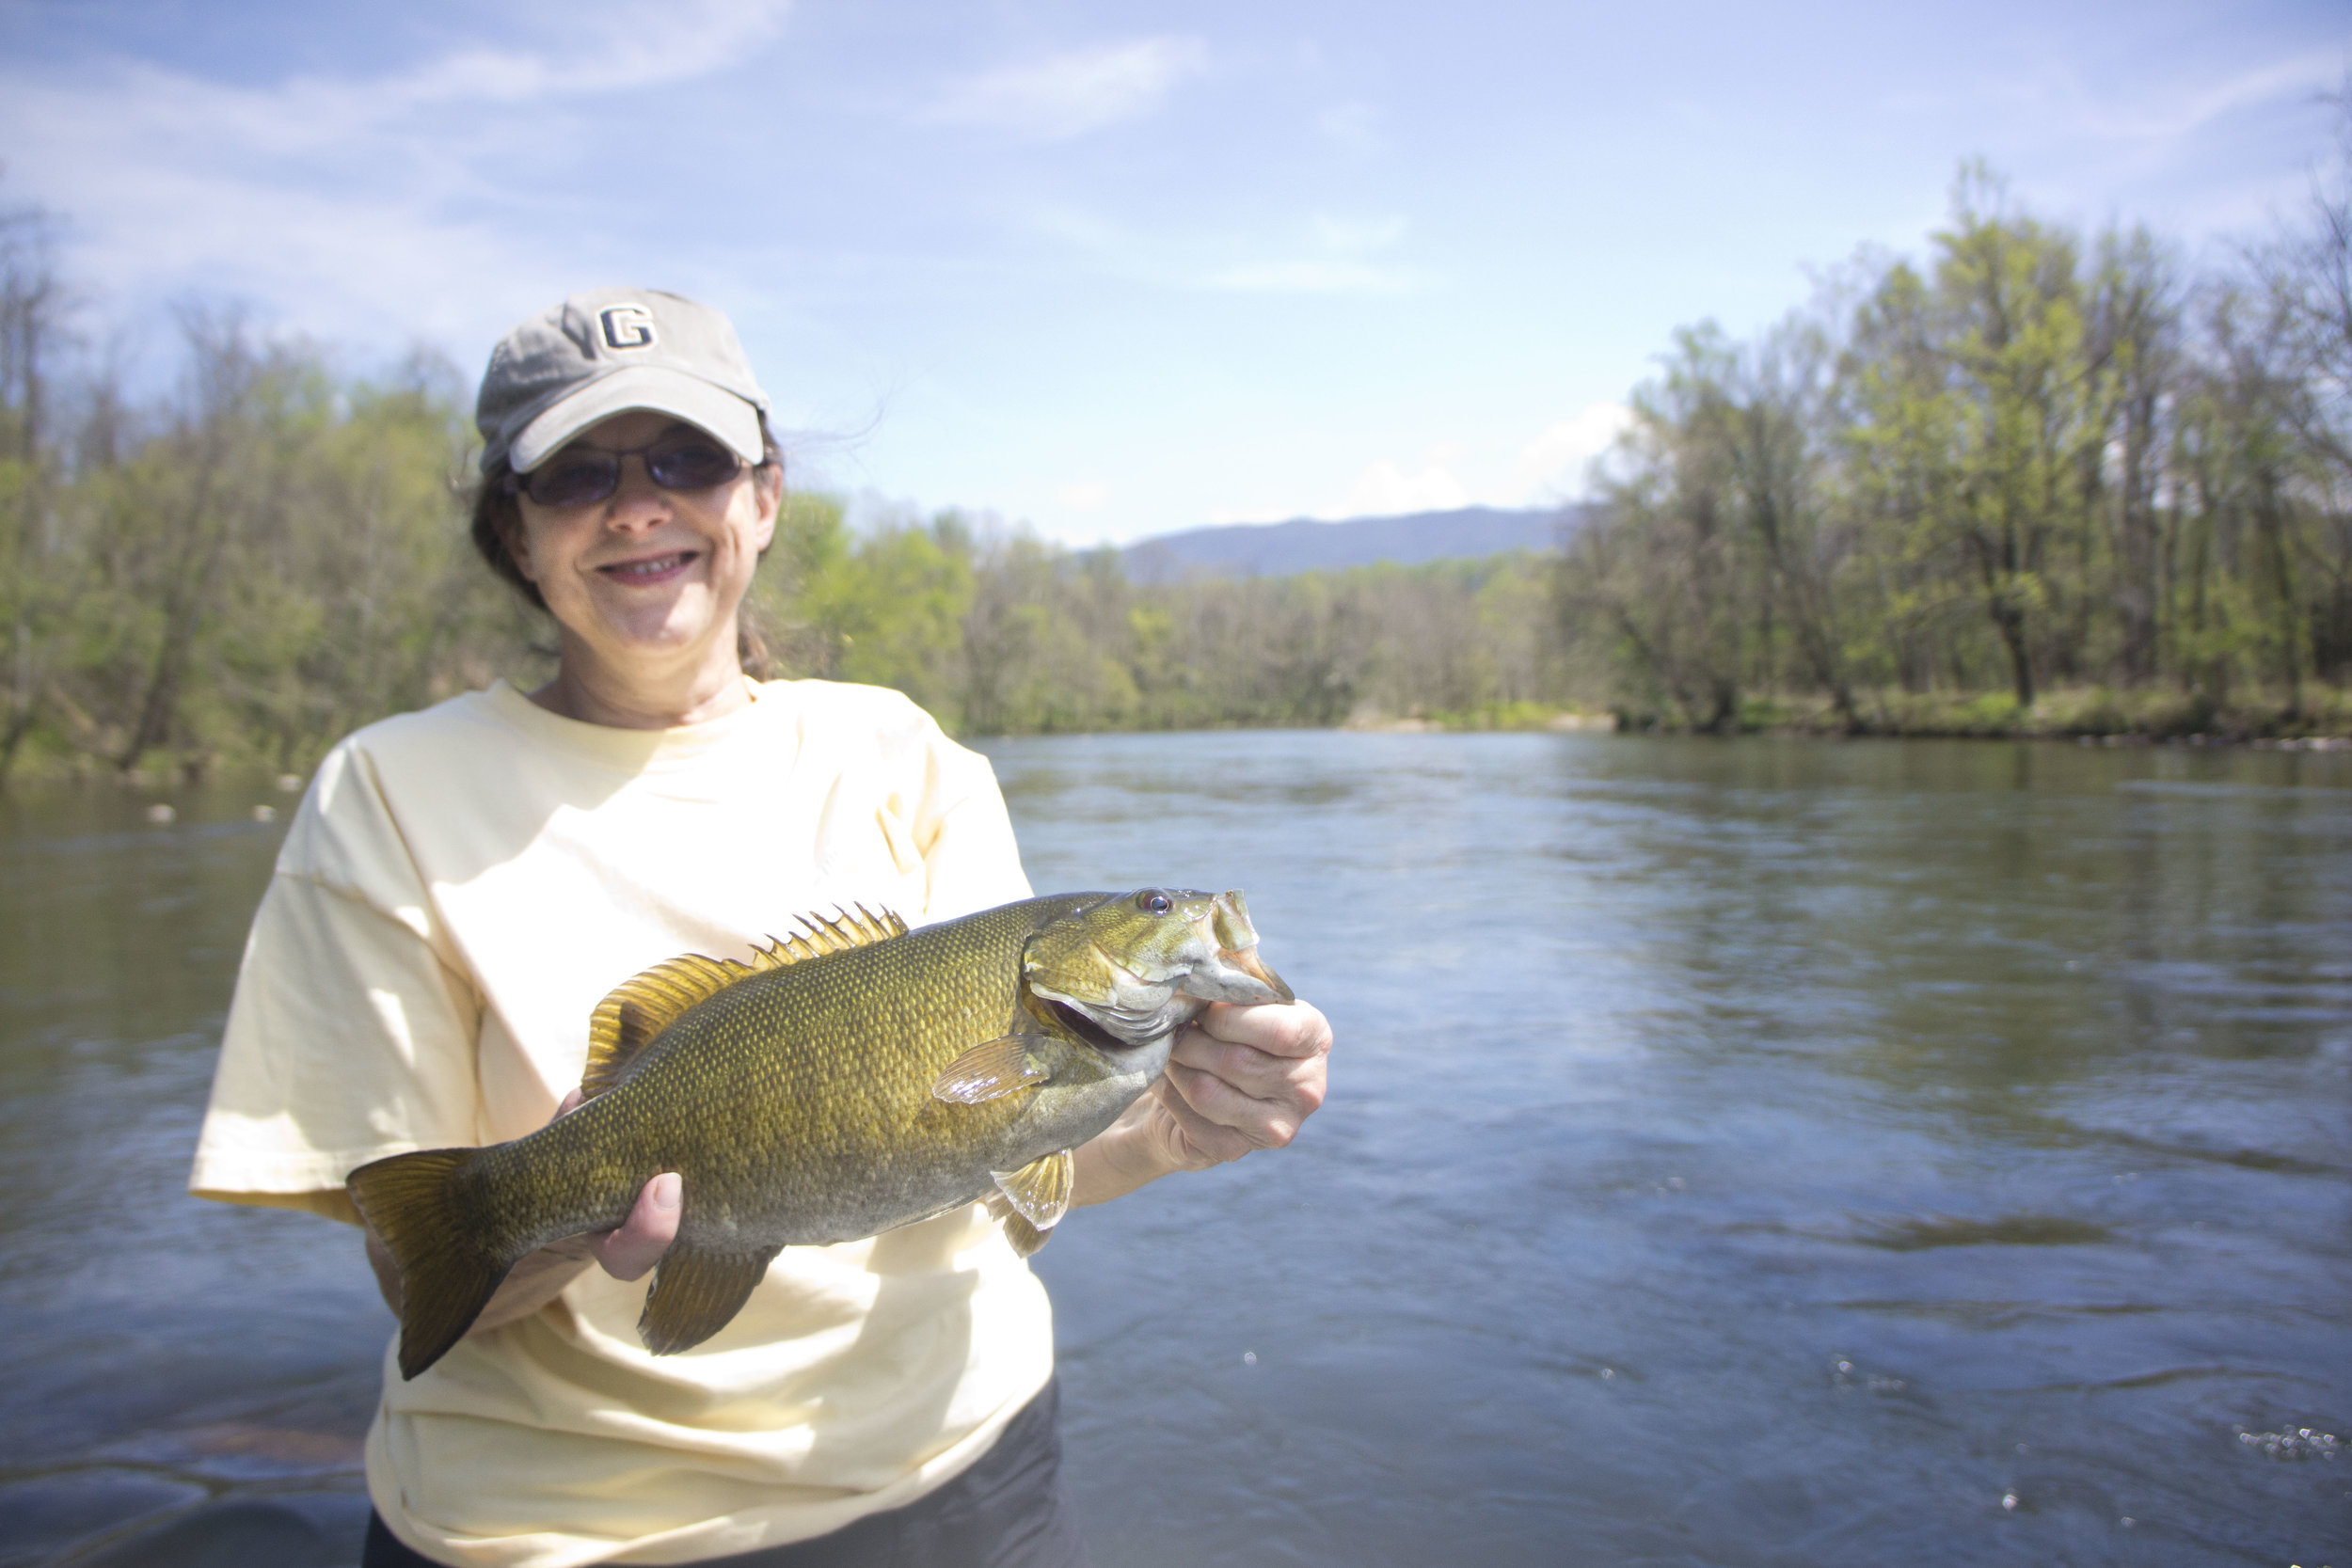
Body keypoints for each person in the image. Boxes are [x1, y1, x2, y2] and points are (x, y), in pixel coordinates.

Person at [187, 287, 1331, 1568]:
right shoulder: (384, 793)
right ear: (510, 529)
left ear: (765, 495)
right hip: (553, 1533)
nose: (638, 508)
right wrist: (567, 1200)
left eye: (687, 459)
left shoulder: (903, 755)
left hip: (964, 1486)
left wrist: (1176, 1125)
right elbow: (427, 1279)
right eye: (577, 475)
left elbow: (992, 1170)